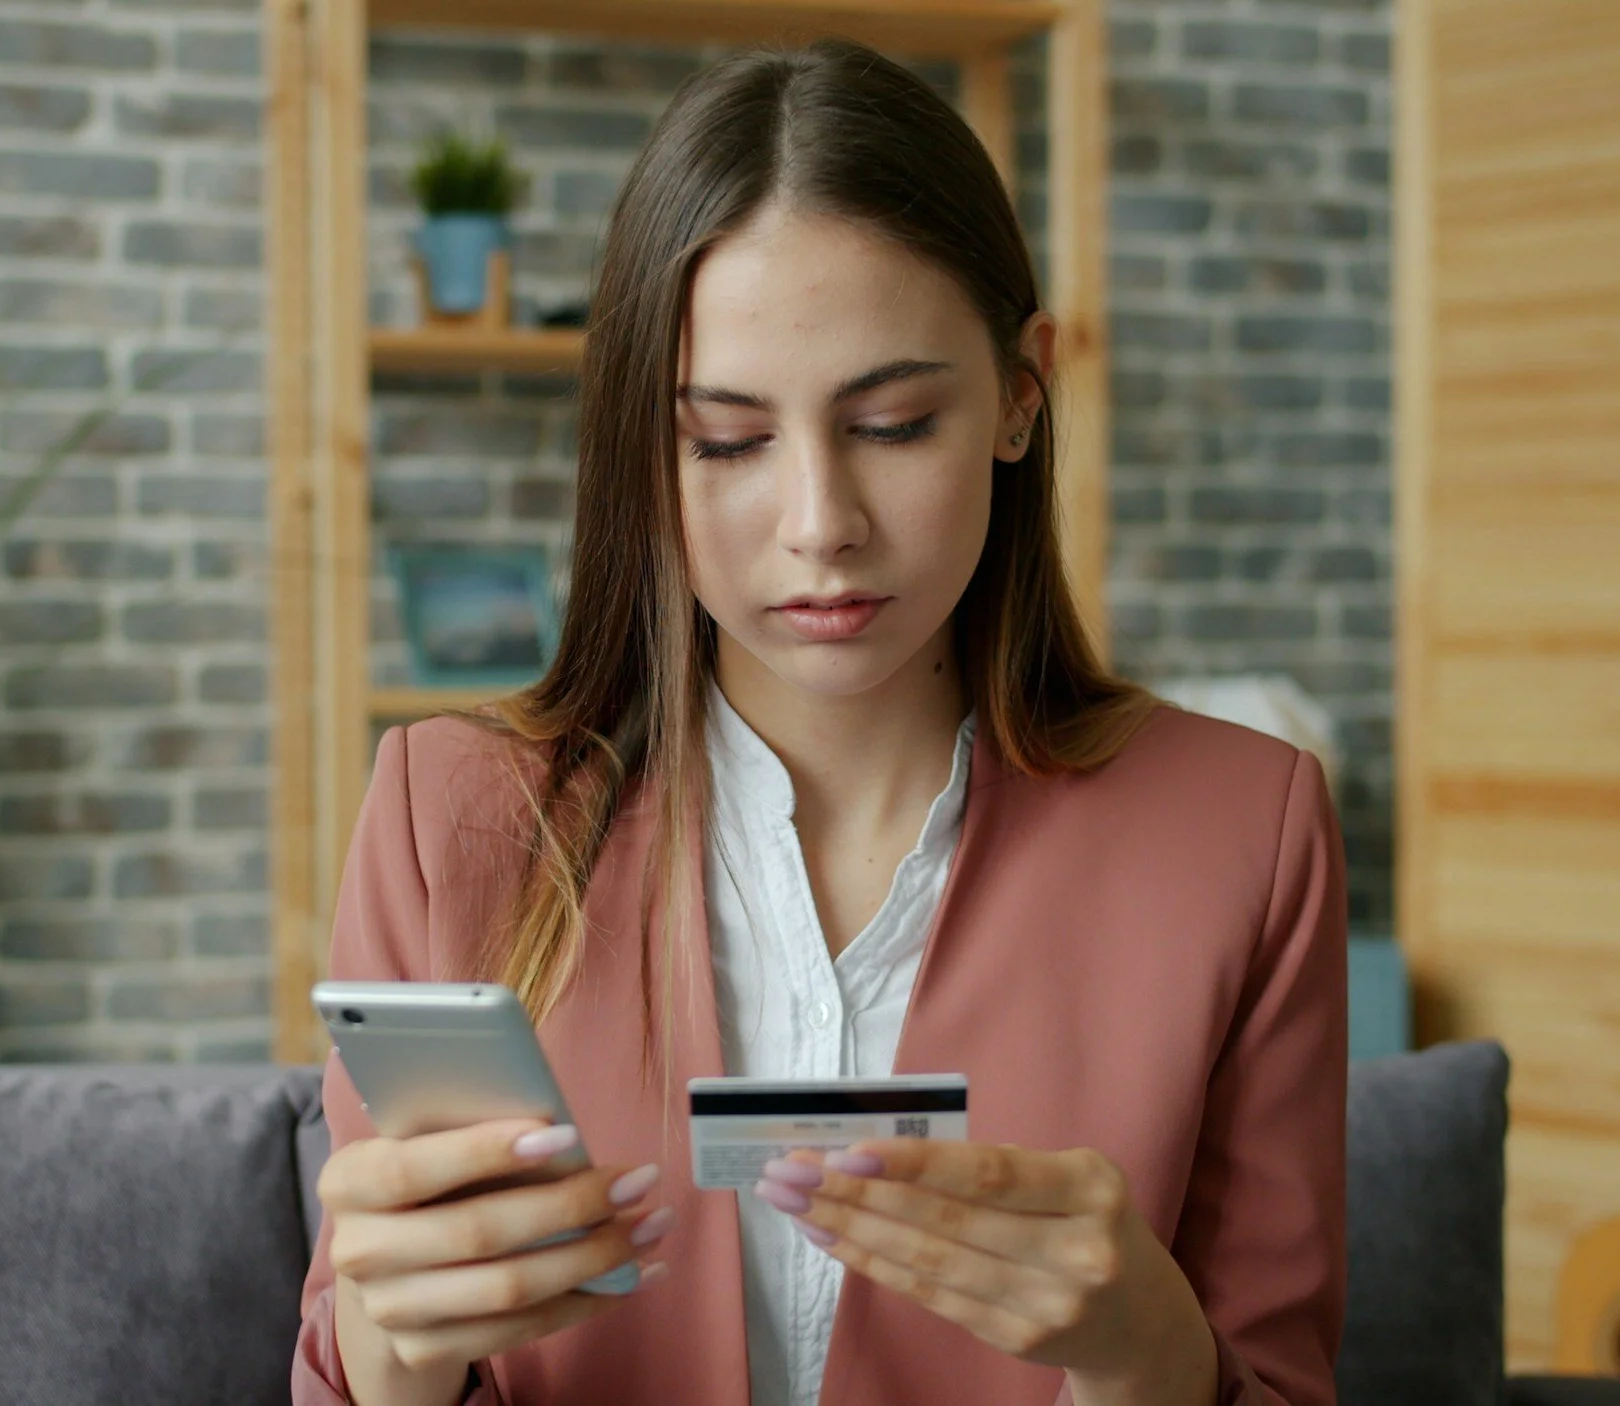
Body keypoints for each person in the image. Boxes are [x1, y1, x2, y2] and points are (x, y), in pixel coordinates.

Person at [294, 36, 1347, 1406]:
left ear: (1022, 394)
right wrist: (395, 1347)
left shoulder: (1244, 836)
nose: (820, 526)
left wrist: (1151, 1349)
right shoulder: (450, 820)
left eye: (895, 423)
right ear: (640, 445)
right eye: (726, 441)